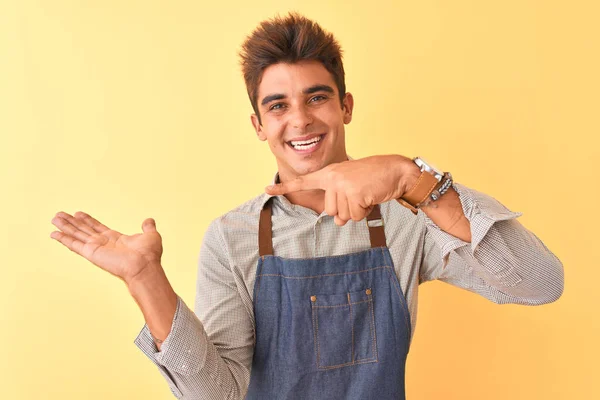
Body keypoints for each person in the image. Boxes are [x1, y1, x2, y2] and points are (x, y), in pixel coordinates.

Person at [50, 12, 564, 400]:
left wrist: (413, 179)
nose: (300, 120)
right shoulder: (233, 237)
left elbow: (541, 283)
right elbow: (220, 395)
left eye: (317, 98)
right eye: (277, 105)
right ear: (258, 125)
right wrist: (145, 279)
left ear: (345, 106)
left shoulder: (408, 216)